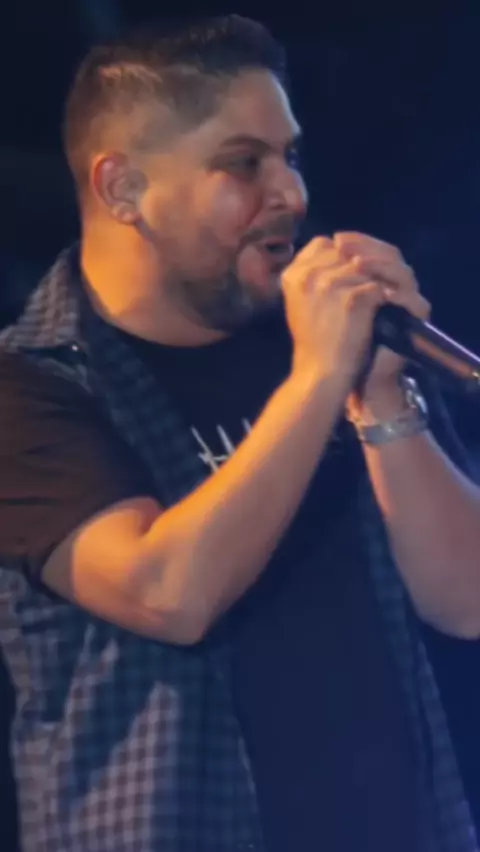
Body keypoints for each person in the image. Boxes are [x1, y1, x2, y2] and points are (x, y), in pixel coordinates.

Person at [0, 14, 479, 852]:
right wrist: (318, 381)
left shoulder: (325, 345)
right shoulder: (34, 383)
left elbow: (467, 600)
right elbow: (167, 593)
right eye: (243, 163)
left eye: (290, 156)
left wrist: (380, 396)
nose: (290, 193)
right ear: (122, 188)